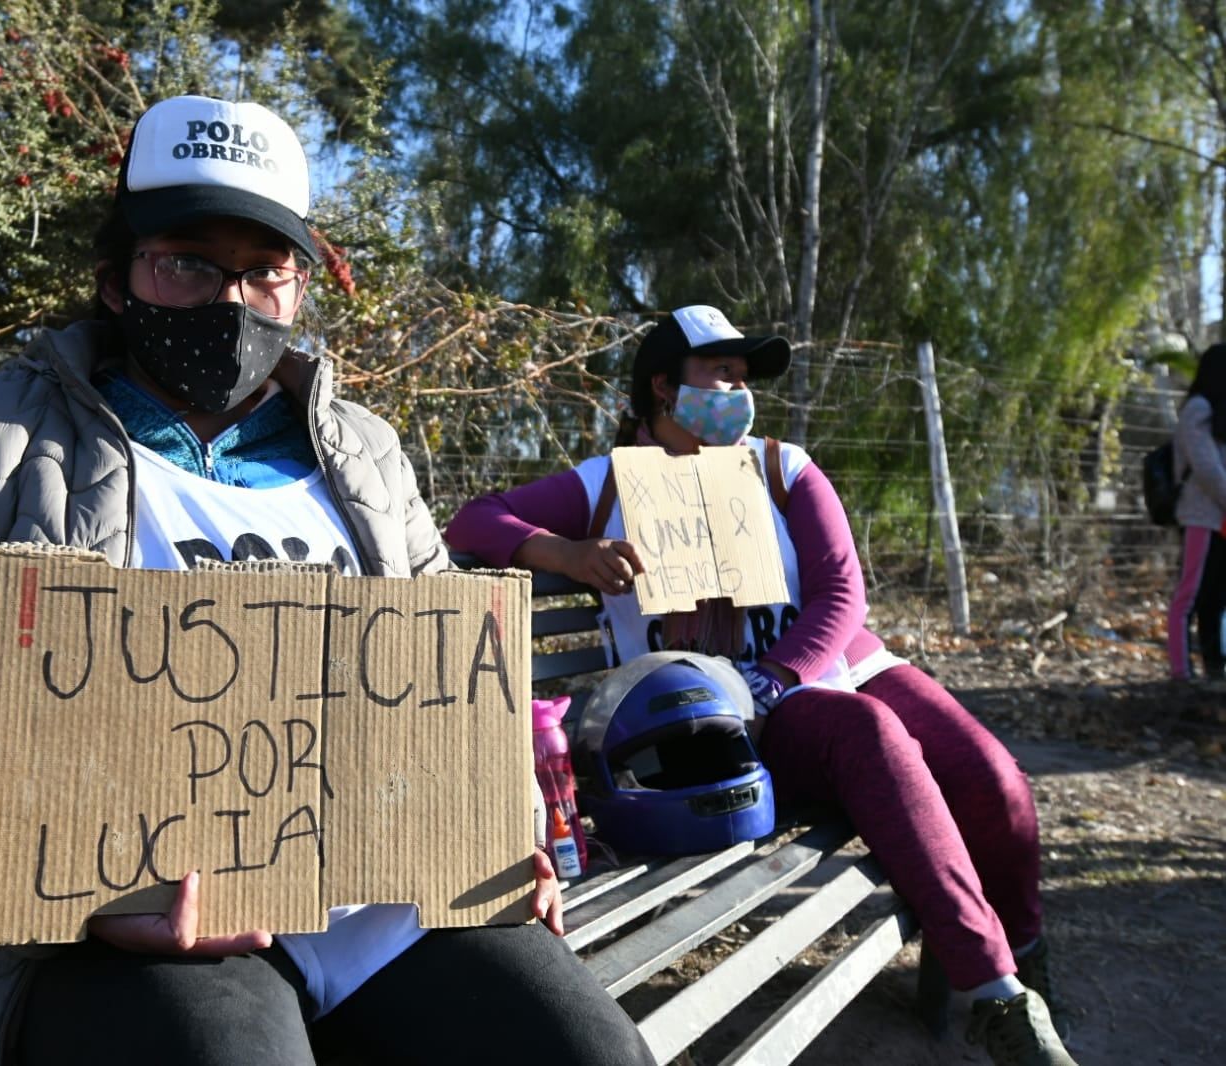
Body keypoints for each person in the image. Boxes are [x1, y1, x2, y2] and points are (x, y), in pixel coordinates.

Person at [0, 94, 653, 1066]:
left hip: (388, 911)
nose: (230, 300)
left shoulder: (366, 454)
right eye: (188, 263)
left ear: (297, 286)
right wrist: (51, 880)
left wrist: (496, 832)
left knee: (591, 1053)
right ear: (118, 279)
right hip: (134, 922)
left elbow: (455, 686)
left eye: (264, 270)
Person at [445, 305, 1075, 1066]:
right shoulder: (606, 483)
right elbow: (471, 520)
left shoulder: (783, 468)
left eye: (745, 379)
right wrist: (563, 552)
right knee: (870, 739)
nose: (739, 394)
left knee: (993, 779)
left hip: (821, 663)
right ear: (662, 387)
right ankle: (995, 995)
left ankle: (1024, 950)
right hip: (727, 700)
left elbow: (842, 594)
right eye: (722, 375)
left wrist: (778, 675)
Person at [1166, 343, 1226, 684]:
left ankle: (1215, 667)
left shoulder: (1218, 409)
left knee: (1216, 598)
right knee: (1188, 596)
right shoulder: (1198, 409)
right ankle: (1180, 672)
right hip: (1199, 516)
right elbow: (1206, 467)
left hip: (1220, 519)